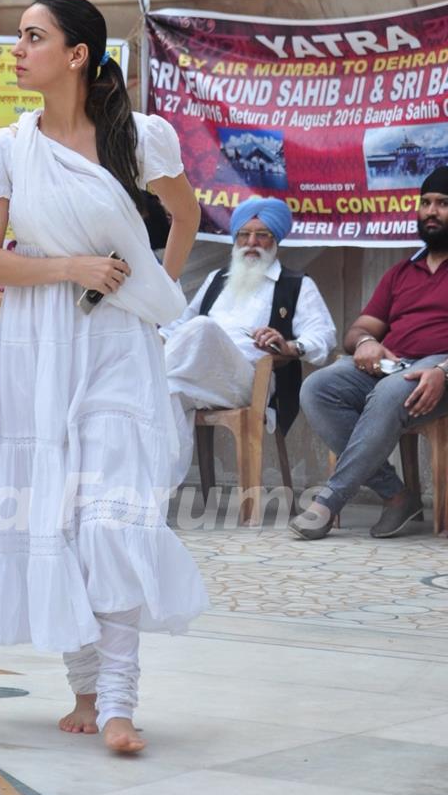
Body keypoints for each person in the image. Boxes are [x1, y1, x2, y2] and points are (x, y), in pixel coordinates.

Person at [0, 0, 207, 754]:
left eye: (34, 37)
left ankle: (118, 704)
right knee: (55, 514)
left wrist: (147, 291)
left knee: (113, 515)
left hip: (117, 349)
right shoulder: (3, 149)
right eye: (18, 37)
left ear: (77, 55)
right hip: (39, 340)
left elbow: (187, 215)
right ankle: (82, 686)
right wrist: (72, 267)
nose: (18, 48)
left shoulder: (142, 138)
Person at [290, 166, 448, 540]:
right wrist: (366, 344)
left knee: (393, 390)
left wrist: (444, 370)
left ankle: (329, 501)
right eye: (425, 202)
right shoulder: (401, 272)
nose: (430, 211)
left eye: (443, 204)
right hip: (395, 364)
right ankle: (397, 496)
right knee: (318, 388)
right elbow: (359, 329)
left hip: (438, 370)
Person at [162, 197, 336, 486]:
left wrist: (289, 345)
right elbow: (176, 327)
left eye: (262, 235)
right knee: (166, 394)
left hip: (250, 381)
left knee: (202, 328)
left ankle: (147, 378)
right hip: (196, 376)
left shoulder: (296, 284)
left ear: (275, 240)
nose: (251, 242)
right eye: (244, 234)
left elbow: (323, 337)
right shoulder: (217, 279)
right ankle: (156, 492)